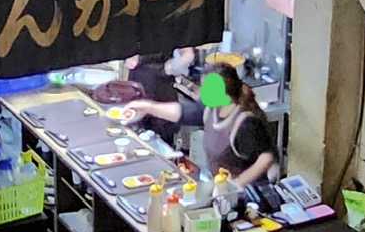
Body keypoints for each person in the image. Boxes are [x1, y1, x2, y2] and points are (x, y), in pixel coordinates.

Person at [114, 62, 278, 187]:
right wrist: (148, 107)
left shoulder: (244, 124)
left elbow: (266, 157)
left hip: (248, 194)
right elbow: (182, 112)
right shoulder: (211, 110)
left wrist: (236, 185)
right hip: (220, 187)